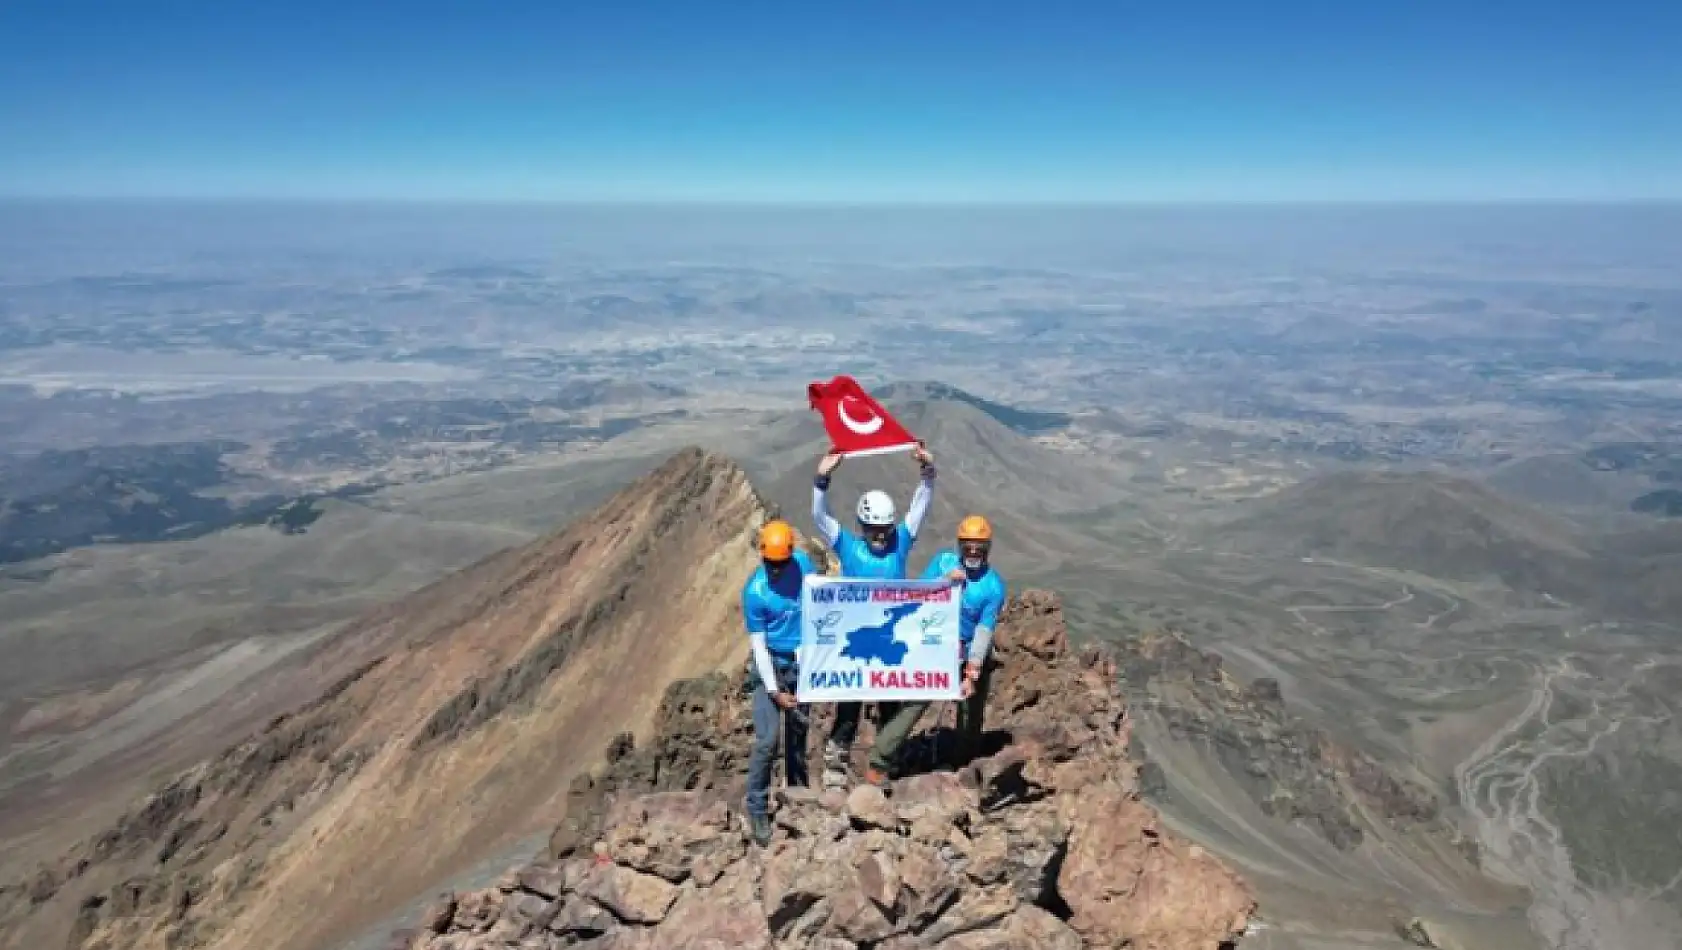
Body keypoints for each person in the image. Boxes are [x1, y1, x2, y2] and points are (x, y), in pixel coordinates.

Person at [811, 443, 936, 784]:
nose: (880, 537)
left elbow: (920, 506)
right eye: (872, 529)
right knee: (848, 705)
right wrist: (822, 479)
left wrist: (927, 473)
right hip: (856, 639)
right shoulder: (847, 545)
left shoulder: (901, 541)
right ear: (862, 526)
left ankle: (886, 764)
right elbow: (820, 518)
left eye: (884, 530)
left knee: (891, 705)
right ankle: (836, 763)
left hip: (890, 637)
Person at [741, 519, 817, 846]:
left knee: (798, 735)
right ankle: (756, 807)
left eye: (780, 564)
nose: (775, 571)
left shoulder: (802, 566)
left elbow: (821, 598)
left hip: (801, 662)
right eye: (770, 564)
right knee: (767, 740)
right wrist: (774, 691)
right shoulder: (755, 593)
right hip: (770, 665)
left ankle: (798, 797)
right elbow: (758, 645)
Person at [921, 515, 1007, 766]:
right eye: (967, 547)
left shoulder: (992, 586)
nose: (972, 553)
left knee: (970, 711)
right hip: (936, 646)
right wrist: (944, 581)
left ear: (987, 550)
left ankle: (963, 764)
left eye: (978, 548)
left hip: (970, 651)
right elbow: (915, 594)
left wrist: (973, 670)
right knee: (916, 700)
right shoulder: (943, 562)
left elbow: (984, 628)